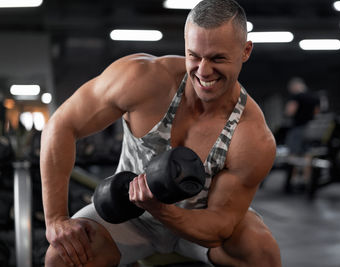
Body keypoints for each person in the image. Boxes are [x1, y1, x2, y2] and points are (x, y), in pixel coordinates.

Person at [40, 0, 281, 266]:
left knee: (261, 252)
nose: (203, 71)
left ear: (245, 51)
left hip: (198, 227)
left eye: (217, 58)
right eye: (194, 56)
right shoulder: (142, 79)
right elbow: (61, 124)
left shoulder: (251, 135)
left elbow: (220, 225)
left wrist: (162, 211)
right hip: (129, 218)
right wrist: (55, 219)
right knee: (61, 257)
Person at [283, 77, 320, 191]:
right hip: (310, 129)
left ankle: (292, 180)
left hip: (298, 128)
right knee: (307, 154)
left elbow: (290, 111)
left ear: (295, 87)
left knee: (293, 154)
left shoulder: (296, 96)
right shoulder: (314, 97)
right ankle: (306, 180)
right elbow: (316, 112)